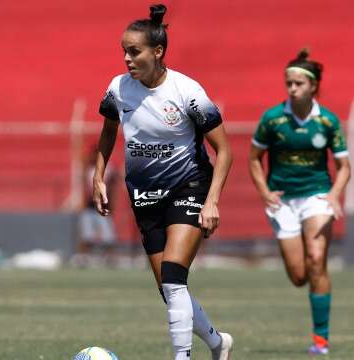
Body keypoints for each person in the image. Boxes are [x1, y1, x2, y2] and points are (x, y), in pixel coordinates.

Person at [93, 5, 233, 359]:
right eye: (123, 50)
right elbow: (108, 132)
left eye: (134, 51)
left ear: (158, 52)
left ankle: (181, 357)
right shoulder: (118, 89)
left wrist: (212, 200)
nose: (126, 58)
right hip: (144, 194)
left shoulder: (187, 91)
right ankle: (218, 343)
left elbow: (225, 150)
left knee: (173, 277)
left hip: (189, 186)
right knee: (170, 290)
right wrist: (98, 176)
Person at [248, 49, 351, 355]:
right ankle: (311, 284)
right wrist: (264, 191)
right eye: (288, 83)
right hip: (283, 202)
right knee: (299, 275)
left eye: (298, 84)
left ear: (313, 87)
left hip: (316, 196)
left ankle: (320, 340)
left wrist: (334, 195)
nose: (292, 89)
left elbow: (344, 166)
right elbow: (254, 159)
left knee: (317, 260)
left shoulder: (328, 121)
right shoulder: (273, 119)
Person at [74, 147, 119, 267]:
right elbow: (84, 188)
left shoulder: (108, 169)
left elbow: (113, 187)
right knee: (86, 235)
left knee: (108, 235)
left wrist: (113, 204)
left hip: (104, 205)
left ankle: (110, 258)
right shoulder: (88, 169)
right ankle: (83, 258)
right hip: (90, 206)